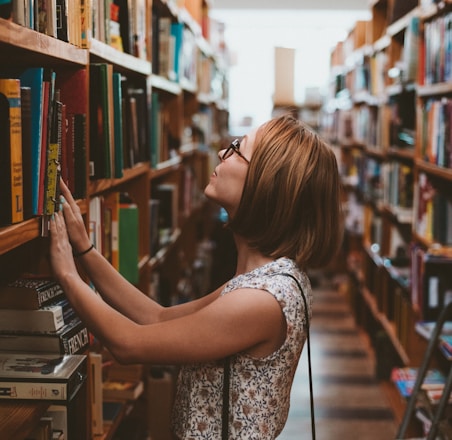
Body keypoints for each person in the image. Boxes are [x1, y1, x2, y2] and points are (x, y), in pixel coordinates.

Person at [49, 113, 343, 439]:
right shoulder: (267, 279)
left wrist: (66, 274)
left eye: (236, 149)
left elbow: (127, 344)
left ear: (265, 183)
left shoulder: (260, 300)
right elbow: (155, 317)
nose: (221, 153)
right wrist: (85, 250)